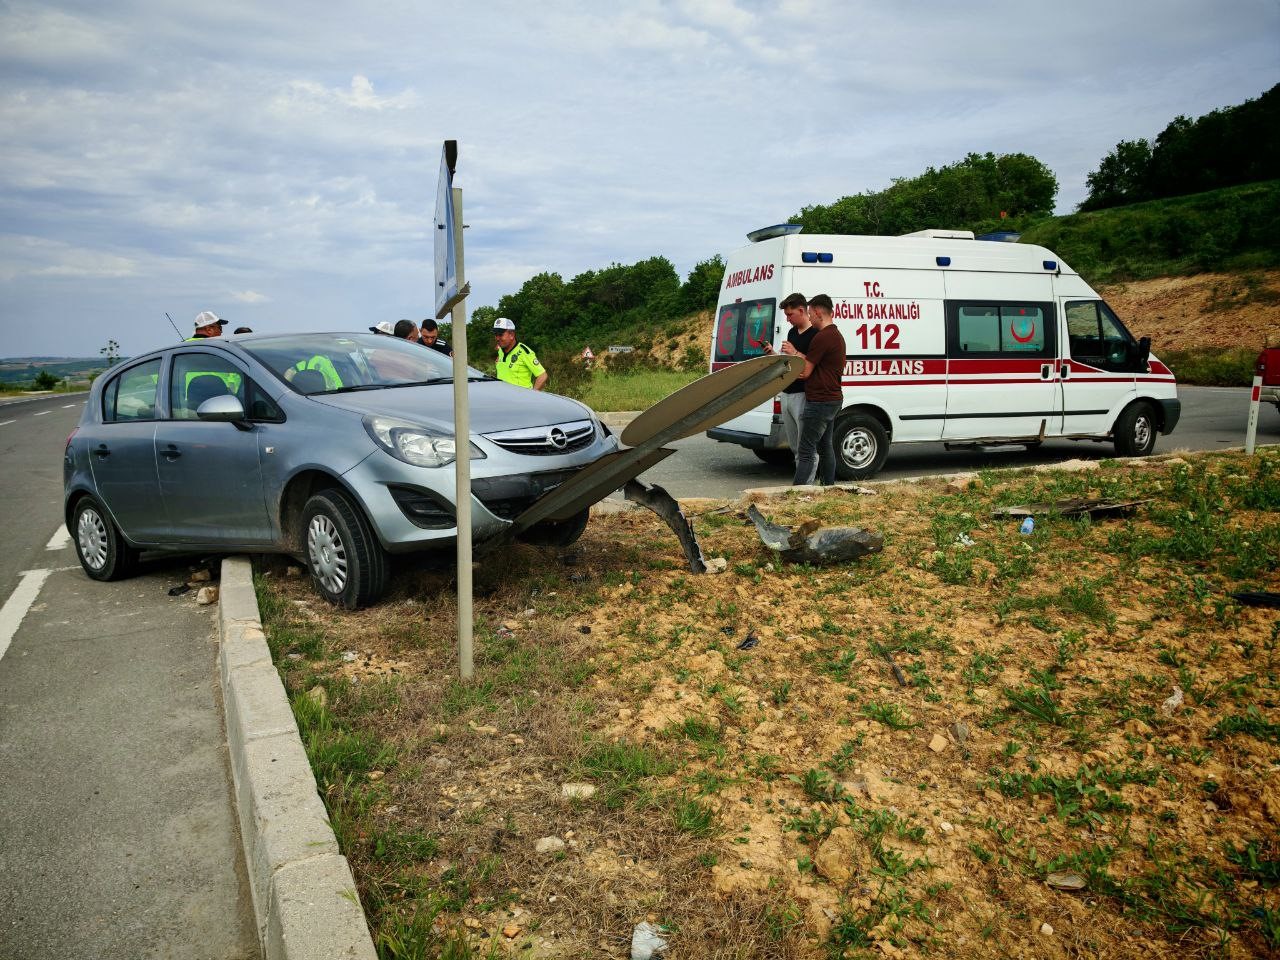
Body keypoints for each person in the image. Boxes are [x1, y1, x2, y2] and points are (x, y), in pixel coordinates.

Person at [792, 293, 846, 486]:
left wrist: (792, 362)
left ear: (817, 312)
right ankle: (828, 488)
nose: (809, 318)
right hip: (832, 399)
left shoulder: (822, 337)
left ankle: (796, 494)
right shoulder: (836, 335)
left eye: (809, 313)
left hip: (820, 401)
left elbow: (805, 372)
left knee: (806, 450)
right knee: (825, 447)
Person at [762, 293, 814, 456]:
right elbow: (789, 361)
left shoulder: (815, 334)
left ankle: (808, 480)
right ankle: (801, 478)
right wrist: (773, 353)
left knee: (805, 445)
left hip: (803, 394)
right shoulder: (792, 333)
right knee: (794, 446)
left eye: (790, 315)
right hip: (787, 392)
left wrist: (795, 351)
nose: (788, 319)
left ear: (801, 310)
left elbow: (814, 364)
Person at [493, 317, 547, 391]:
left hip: (520, 400)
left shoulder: (524, 352)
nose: (497, 338)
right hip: (503, 397)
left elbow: (542, 376)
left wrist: (532, 396)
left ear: (511, 335)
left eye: (500, 334)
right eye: (496, 335)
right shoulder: (501, 350)